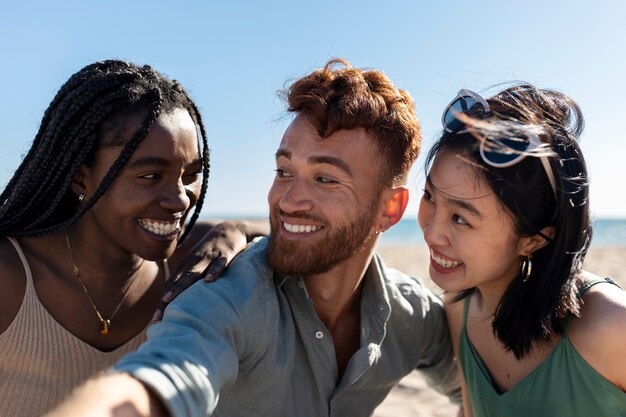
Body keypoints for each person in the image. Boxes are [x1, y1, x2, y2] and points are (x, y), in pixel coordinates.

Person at [46, 58, 461, 417]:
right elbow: (164, 377)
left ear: (389, 209)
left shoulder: (414, 316)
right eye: (284, 171)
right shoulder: (225, 296)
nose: (289, 200)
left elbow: (474, 384)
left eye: (325, 179)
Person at [0, 60, 266, 416]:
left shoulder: (189, 258)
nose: (180, 199)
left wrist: (235, 229)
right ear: (81, 178)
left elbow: (282, 239)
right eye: (151, 175)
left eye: (190, 175)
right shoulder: (10, 276)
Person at [418, 85, 626, 416]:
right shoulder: (460, 310)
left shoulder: (612, 328)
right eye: (430, 197)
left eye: (460, 218)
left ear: (535, 239)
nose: (431, 233)